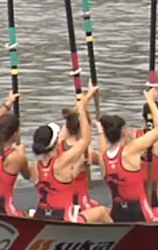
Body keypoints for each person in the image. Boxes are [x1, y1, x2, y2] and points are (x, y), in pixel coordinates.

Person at [32, 87, 111, 223]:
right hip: (66, 216)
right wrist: (82, 109)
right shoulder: (64, 160)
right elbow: (85, 139)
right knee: (103, 212)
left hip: (41, 215)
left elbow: (69, 125)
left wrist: (86, 98)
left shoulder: (33, 167)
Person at [100, 87, 158, 223]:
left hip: (117, 215)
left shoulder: (103, 156)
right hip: (142, 215)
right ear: (124, 132)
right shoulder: (131, 149)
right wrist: (150, 101)